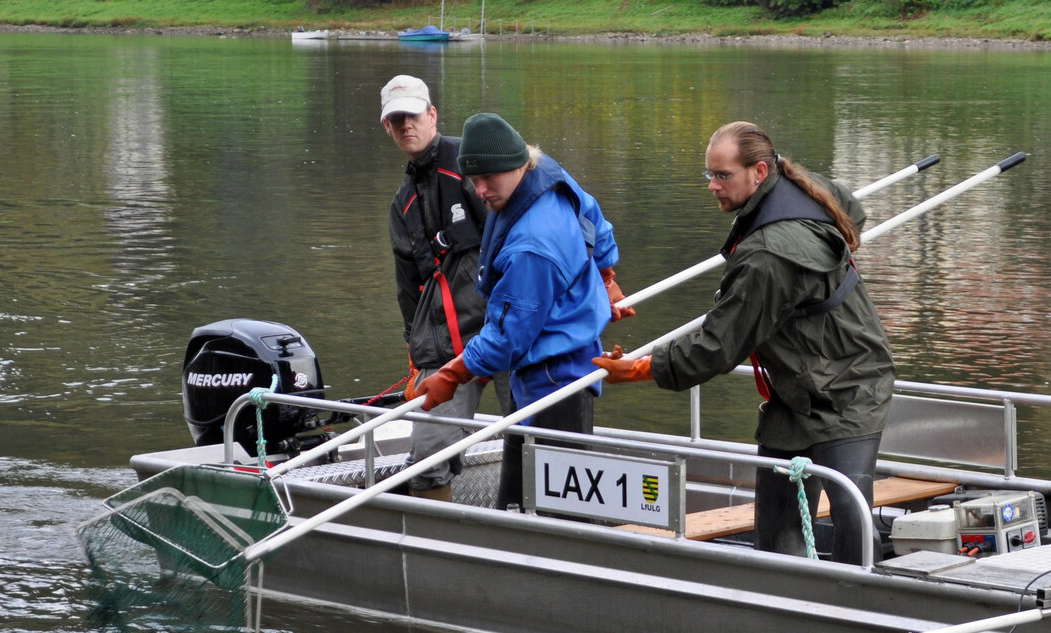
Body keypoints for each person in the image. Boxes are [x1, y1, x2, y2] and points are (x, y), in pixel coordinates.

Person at [592, 121, 895, 564]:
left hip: (851, 386)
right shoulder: (799, 187)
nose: (712, 186)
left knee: (851, 509)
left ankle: (863, 601)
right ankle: (779, 594)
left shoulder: (767, 255)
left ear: (758, 171)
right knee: (775, 517)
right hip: (796, 390)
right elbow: (854, 212)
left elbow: (717, 347)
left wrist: (639, 368)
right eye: (708, 175)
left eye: (722, 176)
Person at [414, 113, 623, 510]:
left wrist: (452, 373)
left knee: (546, 507)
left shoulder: (531, 246)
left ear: (515, 164)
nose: (480, 190)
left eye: (489, 178)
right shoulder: (547, 173)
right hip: (567, 368)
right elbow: (595, 219)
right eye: (473, 181)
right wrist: (606, 275)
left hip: (551, 383)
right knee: (539, 499)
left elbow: (509, 336)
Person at [380, 74, 496, 502]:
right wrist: (416, 350)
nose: (405, 125)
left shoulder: (471, 162)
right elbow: (407, 284)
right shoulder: (402, 202)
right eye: (396, 120)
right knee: (427, 460)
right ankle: (441, 549)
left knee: (535, 439)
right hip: (450, 344)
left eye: (412, 115)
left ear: (432, 115)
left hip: (508, 325)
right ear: (387, 128)